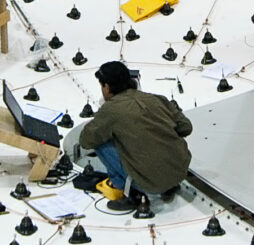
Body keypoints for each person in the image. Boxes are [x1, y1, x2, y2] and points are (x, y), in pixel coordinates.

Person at [71, 60, 192, 214]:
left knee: (100, 142)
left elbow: (86, 140)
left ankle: (130, 194)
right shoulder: (157, 98)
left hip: (150, 184)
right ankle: (169, 185)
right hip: (179, 173)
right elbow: (186, 127)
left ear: (106, 87)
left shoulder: (111, 110)